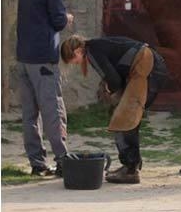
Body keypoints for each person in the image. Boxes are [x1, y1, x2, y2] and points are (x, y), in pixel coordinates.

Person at [17, 0, 111, 177]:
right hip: (44, 61)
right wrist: (68, 17)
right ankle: (62, 161)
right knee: (52, 111)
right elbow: (59, 21)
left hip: (24, 59)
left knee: (30, 115)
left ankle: (37, 163)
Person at [60, 35, 169, 184]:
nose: (74, 63)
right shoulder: (97, 46)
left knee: (122, 117)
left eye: (72, 58)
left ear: (78, 50)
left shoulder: (92, 52)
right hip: (151, 64)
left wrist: (110, 91)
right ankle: (131, 164)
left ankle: (130, 169)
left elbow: (114, 80)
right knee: (126, 117)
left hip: (145, 67)